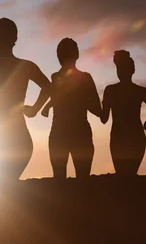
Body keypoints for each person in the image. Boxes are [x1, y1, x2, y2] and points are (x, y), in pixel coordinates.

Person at [0, 18, 51, 181]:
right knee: (9, 186)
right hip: (19, 137)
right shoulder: (26, 66)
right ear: (14, 40)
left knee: (5, 187)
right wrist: (35, 109)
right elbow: (49, 87)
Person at [39, 38, 102, 179]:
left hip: (63, 133)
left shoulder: (57, 78)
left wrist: (50, 104)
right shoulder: (84, 78)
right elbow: (98, 110)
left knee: (62, 180)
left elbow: (97, 111)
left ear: (58, 57)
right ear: (77, 55)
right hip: (78, 132)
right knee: (81, 180)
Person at [100, 50, 146, 176]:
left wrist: (91, 105)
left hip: (122, 136)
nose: (120, 71)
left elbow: (104, 118)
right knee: (128, 175)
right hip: (130, 136)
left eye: (121, 68)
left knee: (124, 175)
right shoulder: (140, 91)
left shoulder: (111, 90)